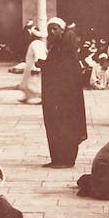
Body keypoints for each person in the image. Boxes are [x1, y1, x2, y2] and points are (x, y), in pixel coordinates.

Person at [38, 18, 87, 168]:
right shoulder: (57, 47)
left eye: (55, 29)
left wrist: (45, 65)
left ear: (62, 30)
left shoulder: (67, 50)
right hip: (57, 96)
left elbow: (62, 70)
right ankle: (57, 158)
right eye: (50, 29)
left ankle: (66, 159)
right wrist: (45, 64)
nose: (52, 32)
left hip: (66, 98)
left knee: (65, 124)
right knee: (55, 124)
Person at [18, 26, 47, 103]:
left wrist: (36, 68)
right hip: (30, 65)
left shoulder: (36, 43)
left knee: (33, 83)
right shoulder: (37, 43)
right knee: (28, 82)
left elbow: (39, 56)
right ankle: (28, 96)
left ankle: (34, 98)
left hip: (34, 67)